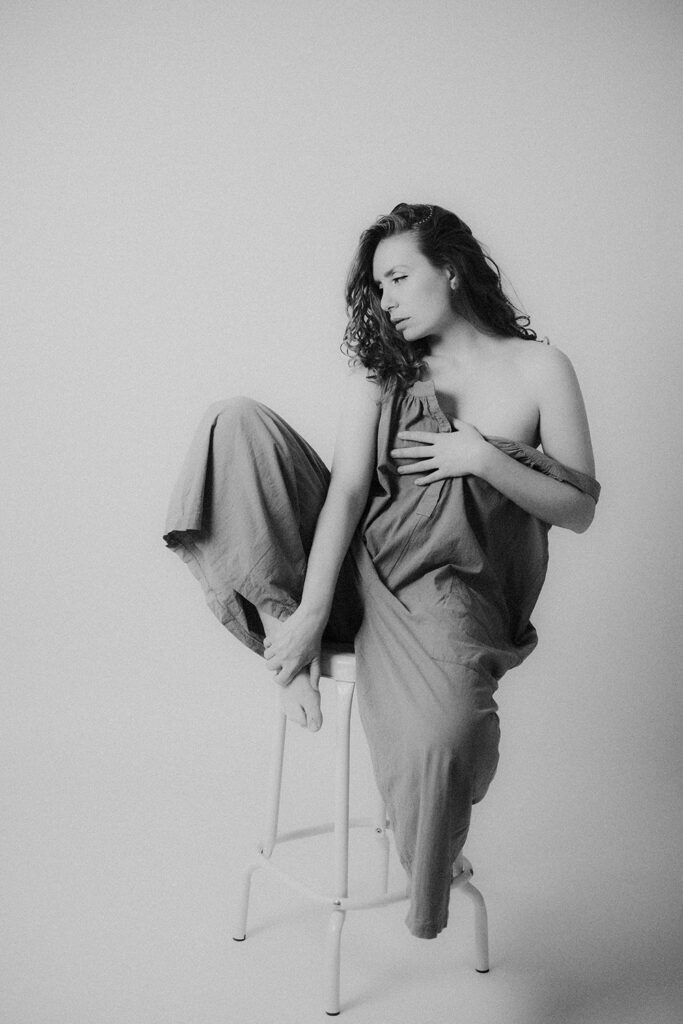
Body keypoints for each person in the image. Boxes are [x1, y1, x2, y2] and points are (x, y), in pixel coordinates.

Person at [163, 202, 600, 940]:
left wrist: (482, 457)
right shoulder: (385, 372)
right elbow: (344, 494)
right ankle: (285, 635)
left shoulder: (539, 369)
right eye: (377, 285)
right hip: (351, 564)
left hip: (445, 590)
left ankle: (424, 849)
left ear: (450, 270)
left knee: (450, 740)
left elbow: (579, 508)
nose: (385, 298)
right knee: (232, 421)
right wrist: (309, 614)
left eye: (398, 277)